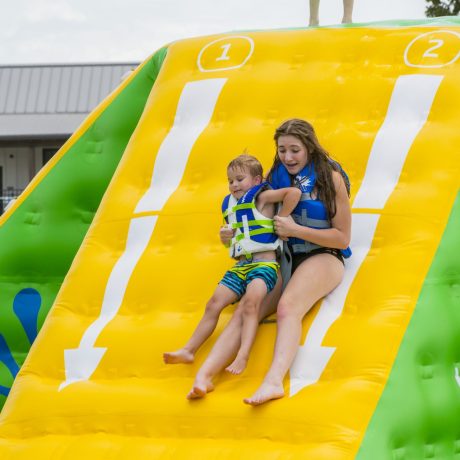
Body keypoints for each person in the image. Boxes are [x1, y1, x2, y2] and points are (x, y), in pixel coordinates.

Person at [164, 154, 301, 383]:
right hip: (241, 265)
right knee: (213, 304)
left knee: (250, 305)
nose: (234, 185)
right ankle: (189, 350)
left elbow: (293, 193)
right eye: (230, 181)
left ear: (257, 180)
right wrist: (224, 237)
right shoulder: (230, 204)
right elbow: (233, 241)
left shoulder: (262, 196)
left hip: (264, 265)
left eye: (240, 179)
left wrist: (282, 219)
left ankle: (242, 355)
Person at [243, 118, 352, 405]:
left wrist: (296, 230)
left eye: (295, 150)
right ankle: (206, 374)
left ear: (309, 149)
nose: (288, 157)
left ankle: (273, 381)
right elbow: (258, 219)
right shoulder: (276, 176)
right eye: (282, 150)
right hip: (285, 255)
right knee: (248, 307)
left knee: (287, 307)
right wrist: (229, 234)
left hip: (323, 255)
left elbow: (342, 238)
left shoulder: (331, 178)